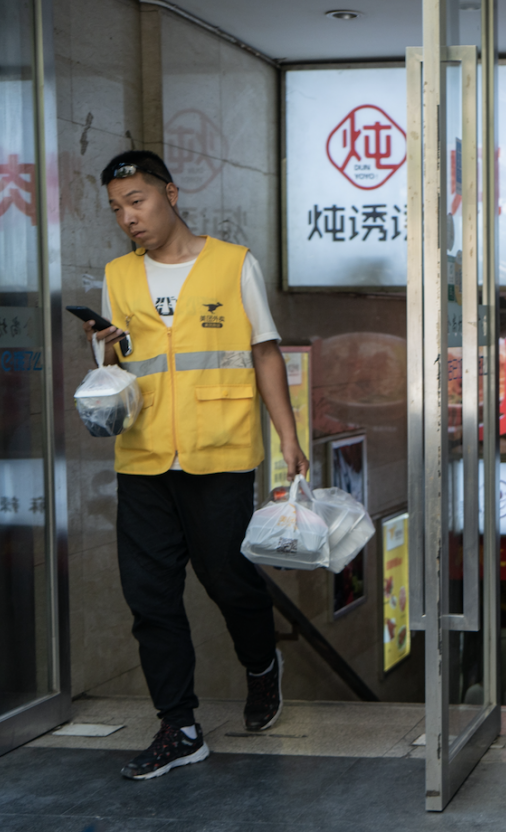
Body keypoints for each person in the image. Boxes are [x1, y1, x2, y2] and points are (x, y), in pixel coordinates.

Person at [86, 150, 309, 780]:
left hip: (220, 452)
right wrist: (102, 356)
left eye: (137, 202)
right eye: (116, 209)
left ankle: (262, 665)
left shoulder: (233, 264)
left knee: (227, 581)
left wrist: (287, 437)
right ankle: (179, 726)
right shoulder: (118, 276)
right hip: (143, 457)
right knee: (149, 595)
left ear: (170, 194)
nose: (128, 218)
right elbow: (123, 370)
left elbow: (264, 354)